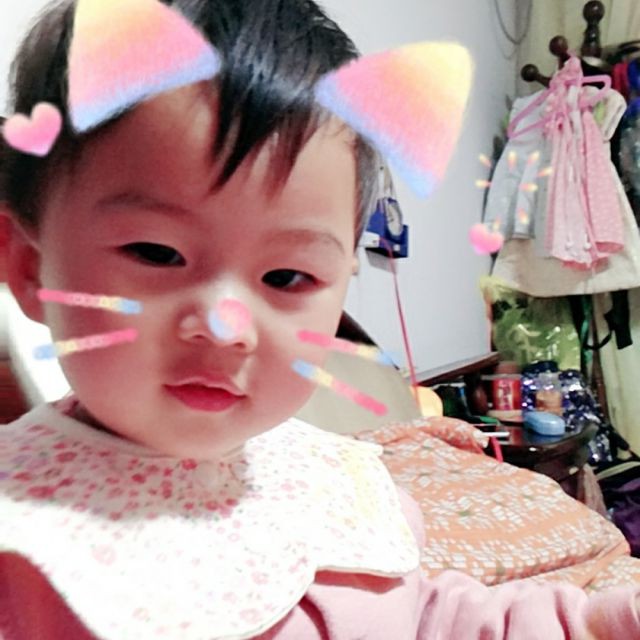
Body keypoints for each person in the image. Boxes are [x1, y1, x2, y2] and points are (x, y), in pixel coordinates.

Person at [0, 1, 639, 638]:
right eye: (157, 253)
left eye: (286, 277)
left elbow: (419, 613)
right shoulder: (21, 548)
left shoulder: (327, 482)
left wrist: (592, 624)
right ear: (29, 269)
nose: (225, 327)